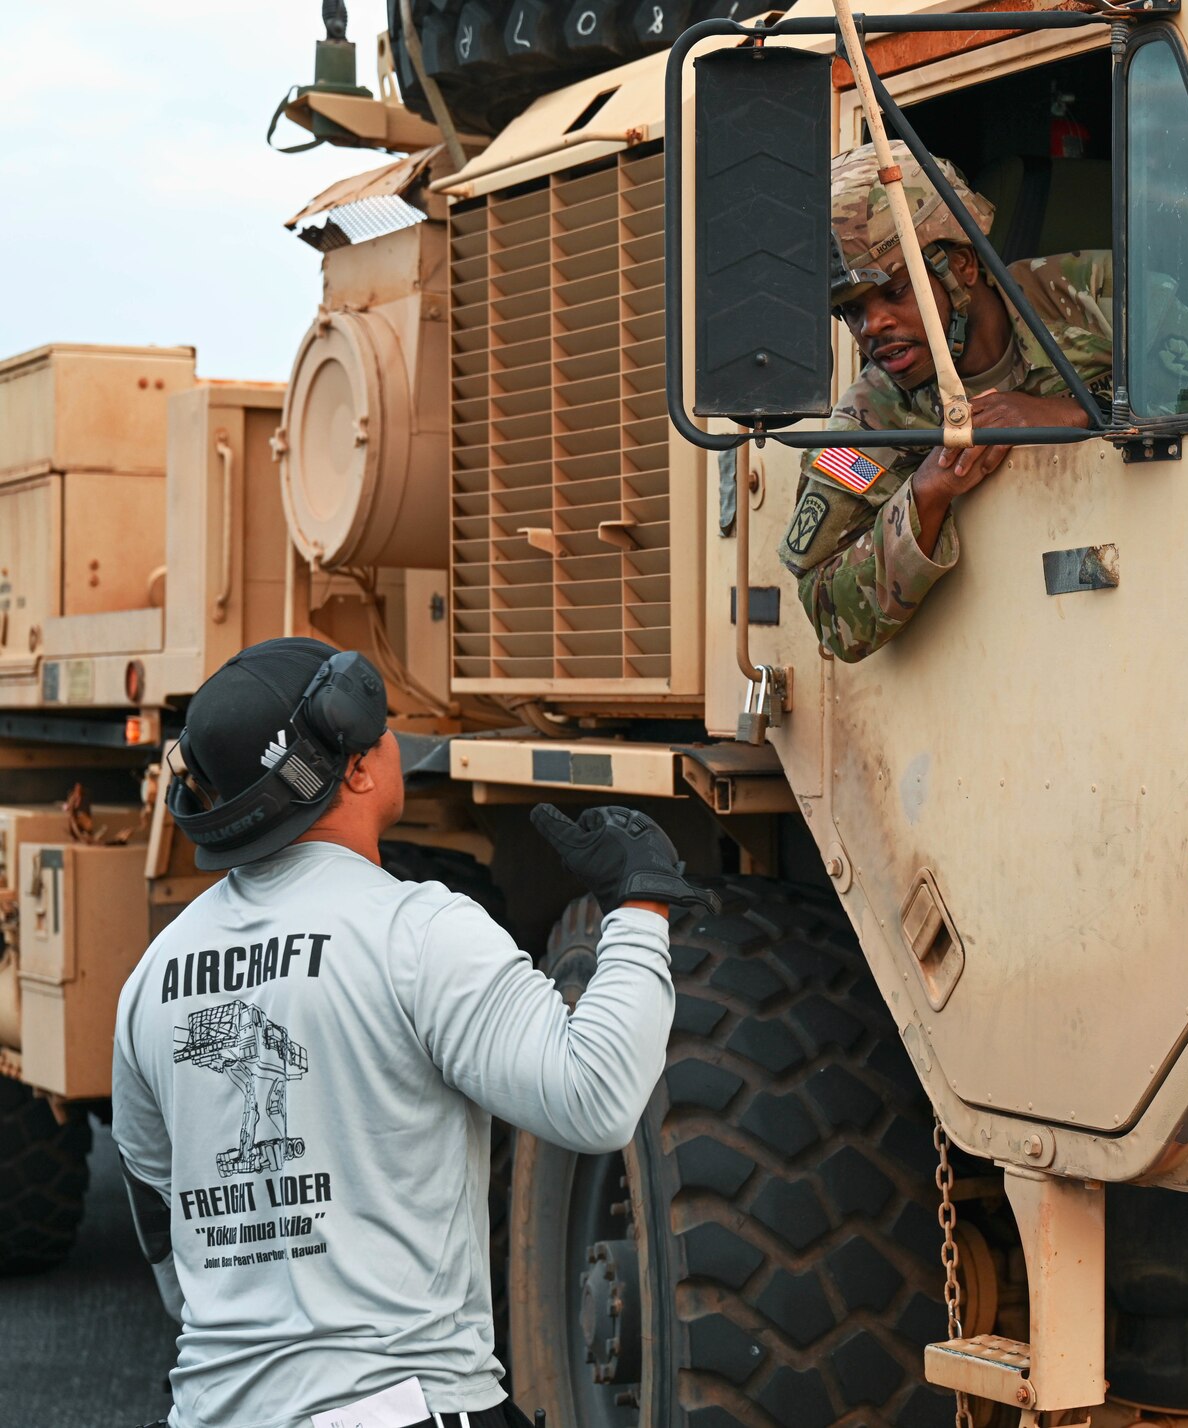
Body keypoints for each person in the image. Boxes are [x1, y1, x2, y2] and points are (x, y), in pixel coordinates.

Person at [112, 636, 718, 1428]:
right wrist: (641, 901)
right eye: (383, 729)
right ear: (358, 769)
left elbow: (162, 1220)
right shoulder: (416, 933)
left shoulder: (151, 980)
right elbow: (596, 1097)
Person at [779, 140, 1121, 662]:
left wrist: (1082, 409)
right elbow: (827, 614)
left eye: (895, 292)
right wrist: (924, 496)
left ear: (961, 266)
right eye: (851, 311)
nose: (874, 325)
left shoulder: (1086, 296)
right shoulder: (868, 421)